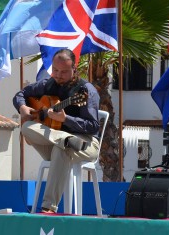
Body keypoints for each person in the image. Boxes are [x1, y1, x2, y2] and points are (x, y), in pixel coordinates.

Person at [13, 48, 100, 213]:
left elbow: (93, 126)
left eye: (64, 71)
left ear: (75, 68)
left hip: (85, 143)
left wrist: (66, 119)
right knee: (26, 127)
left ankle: (48, 208)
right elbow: (20, 94)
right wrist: (23, 107)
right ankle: (64, 140)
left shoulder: (85, 91)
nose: (58, 75)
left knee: (63, 150)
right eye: (55, 70)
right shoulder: (47, 84)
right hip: (55, 141)